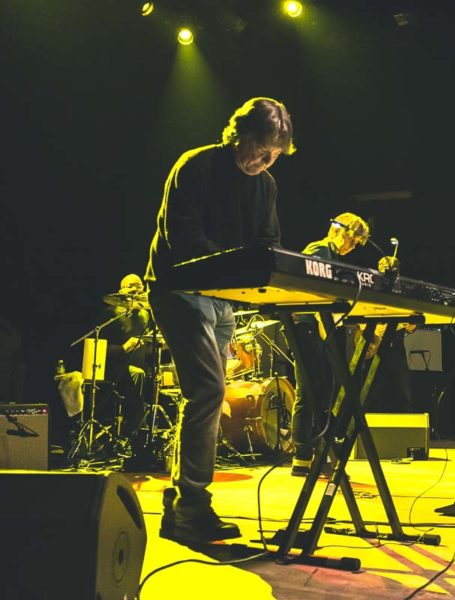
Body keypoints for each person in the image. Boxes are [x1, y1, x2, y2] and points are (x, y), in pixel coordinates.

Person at [145, 97, 295, 544]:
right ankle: (191, 503)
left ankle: (181, 507)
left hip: (223, 300)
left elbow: (267, 241)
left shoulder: (265, 185)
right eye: (262, 149)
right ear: (239, 135)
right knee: (208, 389)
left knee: (208, 394)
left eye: (274, 156)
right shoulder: (196, 166)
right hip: (178, 288)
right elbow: (184, 237)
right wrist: (235, 270)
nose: (266, 161)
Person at [289, 213, 401, 475]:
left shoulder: (333, 257)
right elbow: (315, 286)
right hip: (305, 326)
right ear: (339, 231)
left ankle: (310, 456)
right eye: (351, 241)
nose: (351, 248)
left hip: (315, 329)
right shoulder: (318, 250)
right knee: (310, 392)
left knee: (320, 389)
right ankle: (307, 455)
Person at [100, 274, 152, 444]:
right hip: (113, 368)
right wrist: (122, 349)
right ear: (121, 290)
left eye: (140, 286)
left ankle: (147, 433)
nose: (137, 289)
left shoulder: (145, 315)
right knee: (138, 375)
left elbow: (149, 345)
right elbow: (97, 348)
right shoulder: (110, 314)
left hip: (140, 368)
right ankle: (135, 432)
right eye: (131, 286)